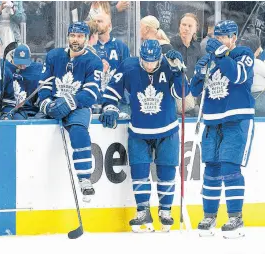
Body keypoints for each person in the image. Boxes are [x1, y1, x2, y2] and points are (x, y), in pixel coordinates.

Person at [100, 40, 189, 233]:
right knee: (139, 171)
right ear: (140, 56)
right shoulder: (129, 65)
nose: (149, 66)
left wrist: (179, 71)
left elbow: (183, 93)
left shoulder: (169, 64)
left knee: (167, 173)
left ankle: (165, 211)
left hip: (168, 130)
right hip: (139, 131)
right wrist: (110, 106)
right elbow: (112, 90)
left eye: (153, 61)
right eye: (146, 61)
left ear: (160, 57)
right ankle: (142, 210)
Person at [190, 20, 255, 239]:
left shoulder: (243, 54)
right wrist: (199, 73)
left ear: (233, 37)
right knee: (211, 170)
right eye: (215, 37)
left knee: (230, 167)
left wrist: (219, 54)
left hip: (236, 119)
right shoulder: (209, 59)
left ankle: (235, 217)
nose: (218, 41)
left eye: (223, 37)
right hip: (212, 121)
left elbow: (238, 76)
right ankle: (209, 215)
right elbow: (195, 89)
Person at [38, 21, 103, 202]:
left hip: (78, 107)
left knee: (79, 131)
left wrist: (68, 103)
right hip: (54, 104)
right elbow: (44, 85)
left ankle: (84, 178)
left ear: (87, 39)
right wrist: (46, 104)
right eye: (73, 35)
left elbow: (91, 94)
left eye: (80, 36)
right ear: (68, 37)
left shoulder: (93, 62)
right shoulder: (54, 56)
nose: (76, 39)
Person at [93, 12, 130, 114]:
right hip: (95, 99)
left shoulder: (121, 46)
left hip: (117, 99)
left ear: (109, 25)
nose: (96, 23)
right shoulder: (89, 47)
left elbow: (127, 74)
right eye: (94, 21)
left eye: (99, 21)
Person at [5, 44, 42, 119]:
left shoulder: (36, 69)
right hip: (9, 108)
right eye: (19, 63)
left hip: (30, 110)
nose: (22, 66)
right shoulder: (4, 69)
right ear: (11, 58)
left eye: (25, 63)